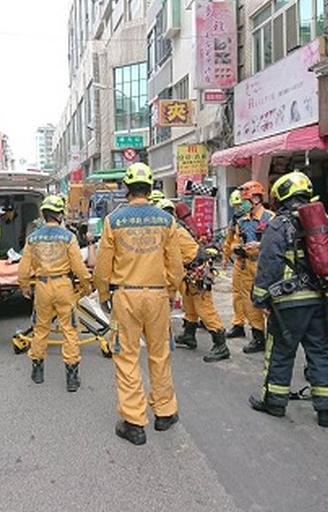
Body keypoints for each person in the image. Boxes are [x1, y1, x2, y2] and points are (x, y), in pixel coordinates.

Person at [94, 163, 184, 446]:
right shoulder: (167, 220)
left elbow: (102, 267)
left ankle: (134, 423)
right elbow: (176, 266)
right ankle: (164, 413)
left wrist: (104, 295)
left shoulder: (113, 220)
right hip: (158, 295)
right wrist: (170, 292)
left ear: (126, 188)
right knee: (160, 354)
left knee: (127, 357)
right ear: (151, 187)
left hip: (126, 296)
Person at [248, 171, 328, 427]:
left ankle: (275, 402)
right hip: (321, 299)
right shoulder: (326, 222)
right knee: (321, 352)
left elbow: (269, 263)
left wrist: (260, 299)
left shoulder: (279, 224)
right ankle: (326, 410)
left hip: (288, 302)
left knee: (280, 351)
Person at [18, 195, 93, 391]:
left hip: (42, 287)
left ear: (44, 214)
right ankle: (71, 378)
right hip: (63, 286)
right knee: (69, 330)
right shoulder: (68, 237)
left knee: (40, 328)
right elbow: (78, 266)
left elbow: (24, 267)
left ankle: (37, 371)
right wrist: (86, 285)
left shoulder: (33, 238)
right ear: (60, 215)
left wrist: (24, 286)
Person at [158, 199, 229, 363]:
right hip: (190, 270)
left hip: (197, 271)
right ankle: (189, 335)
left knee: (204, 309)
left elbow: (168, 257)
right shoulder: (175, 227)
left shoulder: (170, 231)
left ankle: (221, 345)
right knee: (189, 305)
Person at [235, 181, 275, 353]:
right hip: (246, 265)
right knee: (249, 302)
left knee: (269, 299)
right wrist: (237, 248)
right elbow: (235, 241)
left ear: (257, 199)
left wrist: (259, 245)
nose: (243, 204)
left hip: (264, 264)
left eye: (246, 200)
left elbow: (277, 242)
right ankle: (258, 337)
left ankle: (276, 336)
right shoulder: (242, 221)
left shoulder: (270, 219)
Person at [222, 188, 252, 338]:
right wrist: (225, 257)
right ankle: (238, 323)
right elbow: (228, 241)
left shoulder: (258, 219)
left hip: (256, 262)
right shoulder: (235, 222)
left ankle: (258, 328)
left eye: (240, 205)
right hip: (240, 262)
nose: (238, 208)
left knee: (254, 296)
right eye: (235, 206)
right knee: (237, 294)